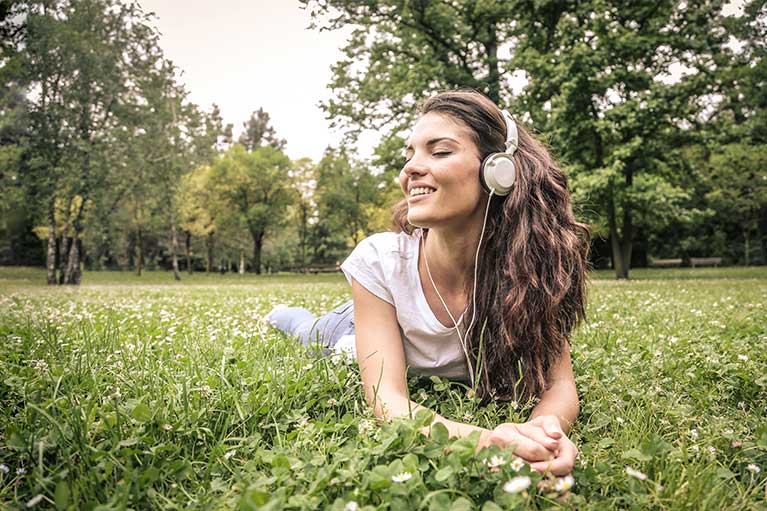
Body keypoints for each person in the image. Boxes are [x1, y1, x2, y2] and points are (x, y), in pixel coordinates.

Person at [265, 90, 589, 476]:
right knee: (310, 332)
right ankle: (282, 314)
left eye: (439, 152)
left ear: (498, 171)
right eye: (410, 154)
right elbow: (387, 400)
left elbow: (560, 385)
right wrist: (483, 441)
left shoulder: (531, 269)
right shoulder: (380, 261)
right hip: (357, 323)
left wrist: (544, 433)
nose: (410, 169)